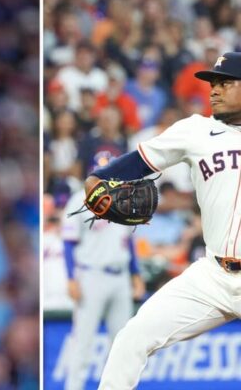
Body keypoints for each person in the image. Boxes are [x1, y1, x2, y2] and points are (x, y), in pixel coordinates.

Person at [83, 51, 241, 390]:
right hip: (212, 275)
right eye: (212, 83)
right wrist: (98, 178)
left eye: (225, 83)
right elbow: (141, 160)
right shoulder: (196, 130)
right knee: (132, 338)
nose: (213, 90)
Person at [63, 153, 145, 390]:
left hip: (120, 277)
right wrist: (71, 278)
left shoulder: (124, 196)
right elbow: (68, 241)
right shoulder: (79, 199)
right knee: (83, 344)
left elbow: (128, 240)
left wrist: (135, 274)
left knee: (123, 344)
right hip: (91, 276)